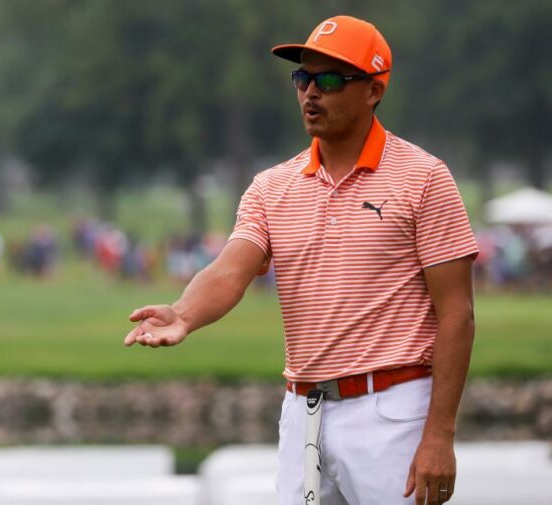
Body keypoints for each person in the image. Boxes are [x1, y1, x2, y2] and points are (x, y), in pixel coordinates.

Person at [124, 15, 478, 505]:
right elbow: (232, 268)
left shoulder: (423, 178)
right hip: (304, 413)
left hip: (392, 411)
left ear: (373, 91)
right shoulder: (272, 186)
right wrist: (183, 314)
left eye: (330, 80)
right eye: (303, 78)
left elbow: (457, 312)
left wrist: (440, 435)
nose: (312, 93)